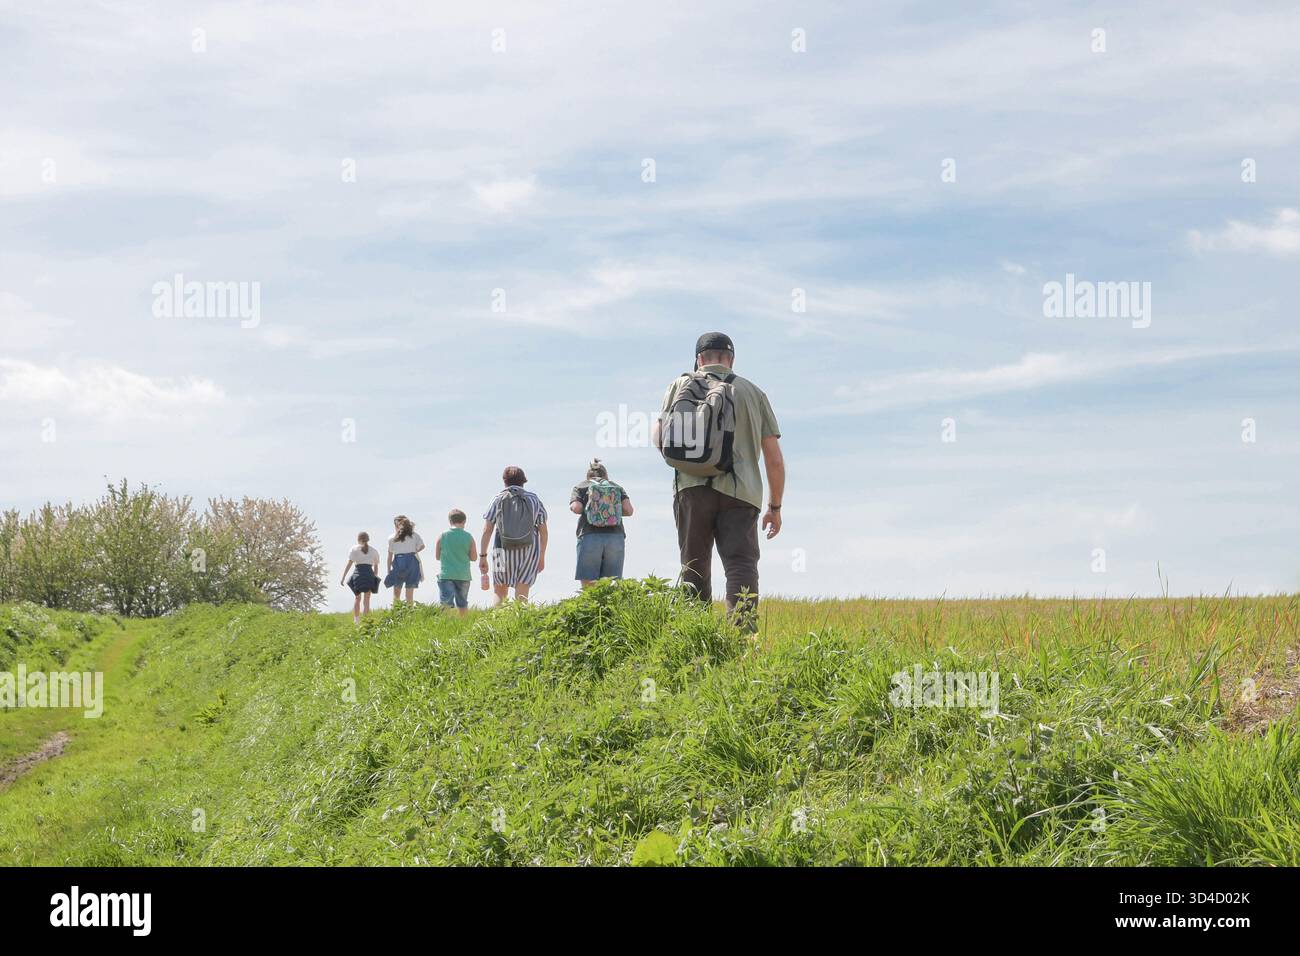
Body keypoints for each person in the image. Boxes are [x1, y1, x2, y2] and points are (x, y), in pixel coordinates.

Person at [654, 332, 784, 629]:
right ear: (731, 359)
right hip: (742, 492)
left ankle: (696, 639)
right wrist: (775, 506)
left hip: (691, 489)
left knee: (694, 567)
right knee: (741, 564)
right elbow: (774, 459)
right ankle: (741, 638)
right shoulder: (753, 392)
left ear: (699, 359)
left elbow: (659, 438)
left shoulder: (679, 385)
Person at [478, 466, 548, 605]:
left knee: (499, 590)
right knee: (522, 590)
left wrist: (483, 556)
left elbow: (487, 530)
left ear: (504, 481)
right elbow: (543, 531)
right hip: (529, 550)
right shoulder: (534, 500)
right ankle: (519, 623)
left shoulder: (497, 499)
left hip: (500, 549)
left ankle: (496, 623)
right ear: (523, 481)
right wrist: (541, 556)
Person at [569, 458, 633, 588]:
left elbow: (576, 508)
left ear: (588, 476)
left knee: (588, 583)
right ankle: (607, 607)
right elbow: (629, 510)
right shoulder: (616, 487)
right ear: (606, 475)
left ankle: (591, 608)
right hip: (615, 537)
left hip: (589, 535)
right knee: (610, 583)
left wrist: (591, 509)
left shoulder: (581, 486)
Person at [435, 509, 477, 615]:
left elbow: (437, 557)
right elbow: (474, 557)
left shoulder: (442, 536)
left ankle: (445, 626)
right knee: (462, 604)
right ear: (464, 522)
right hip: (463, 575)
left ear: (450, 521)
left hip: (446, 575)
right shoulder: (469, 537)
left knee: (446, 604)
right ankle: (463, 625)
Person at [339, 531, 380, 623]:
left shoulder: (354, 549)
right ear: (368, 539)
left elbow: (349, 564)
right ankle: (366, 622)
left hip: (358, 575)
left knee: (357, 598)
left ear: (358, 539)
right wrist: (375, 577)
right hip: (369, 574)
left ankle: (356, 621)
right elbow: (376, 566)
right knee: (367, 600)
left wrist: (343, 577)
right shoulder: (374, 551)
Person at [384, 515, 425, 605]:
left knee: (396, 593)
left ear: (397, 525)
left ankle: (396, 614)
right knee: (409, 594)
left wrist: (388, 571)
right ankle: (409, 616)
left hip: (399, 562)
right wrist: (414, 551)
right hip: (412, 562)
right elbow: (422, 546)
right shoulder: (414, 535)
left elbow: (389, 556)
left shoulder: (392, 538)